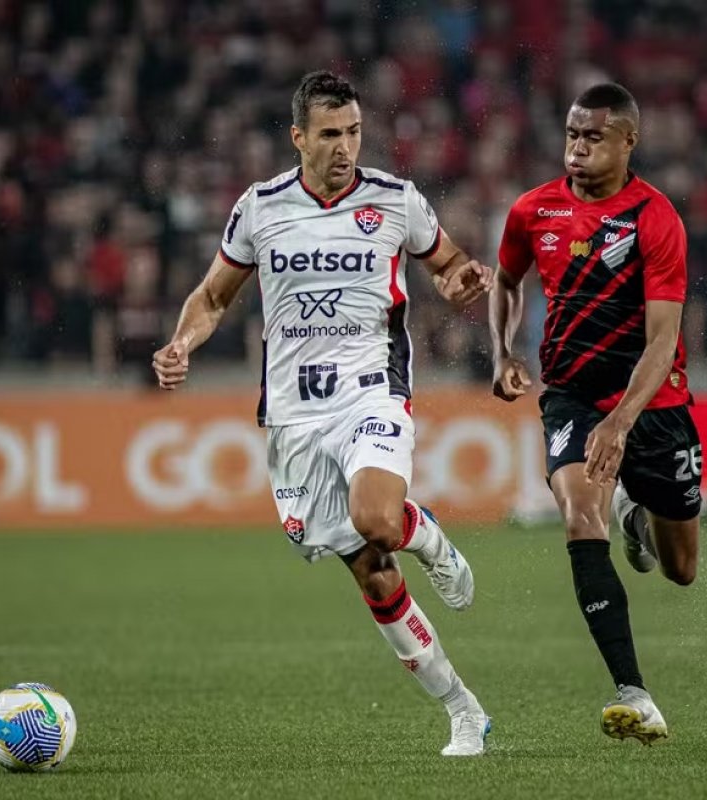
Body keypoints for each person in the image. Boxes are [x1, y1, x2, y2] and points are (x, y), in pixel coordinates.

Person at [152, 71, 494, 756]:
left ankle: (429, 539)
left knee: (378, 519)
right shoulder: (260, 208)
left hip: (371, 389)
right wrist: (181, 342)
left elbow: (447, 261)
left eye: (355, 132)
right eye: (331, 134)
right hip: (294, 414)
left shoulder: (395, 200)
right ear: (299, 137)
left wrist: (462, 279)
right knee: (371, 569)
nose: (345, 147)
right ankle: (462, 708)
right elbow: (213, 297)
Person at [488, 83, 703, 744]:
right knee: (581, 517)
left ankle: (638, 516)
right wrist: (502, 351)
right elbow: (506, 280)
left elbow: (663, 341)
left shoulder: (654, 219)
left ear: (628, 141)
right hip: (571, 397)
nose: (577, 148)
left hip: (654, 403)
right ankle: (634, 693)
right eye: (572, 134)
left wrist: (621, 422)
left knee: (681, 569)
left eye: (594, 136)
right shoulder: (534, 210)